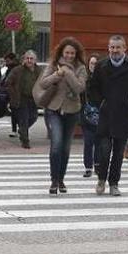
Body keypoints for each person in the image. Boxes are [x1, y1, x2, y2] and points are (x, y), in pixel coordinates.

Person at [89, 35, 128, 196]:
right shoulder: (101, 65)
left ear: (124, 49)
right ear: (108, 48)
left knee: (119, 153)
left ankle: (114, 183)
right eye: (112, 47)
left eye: (117, 47)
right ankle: (101, 179)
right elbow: (93, 88)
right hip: (106, 113)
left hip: (124, 113)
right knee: (104, 151)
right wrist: (99, 102)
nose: (114, 50)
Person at [37, 38, 87, 195]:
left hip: (72, 111)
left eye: (72, 53)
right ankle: (53, 180)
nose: (69, 55)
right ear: (62, 52)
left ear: (76, 53)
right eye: (67, 52)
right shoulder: (53, 65)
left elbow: (79, 88)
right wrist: (57, 74)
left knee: (65, 148)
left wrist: (68, 72)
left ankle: (61, 179)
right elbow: (43, 83)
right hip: (54, 110)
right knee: (56, 145)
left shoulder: (81, 68)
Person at [6, 51, 42, 149]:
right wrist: (13, 94)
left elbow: (44, 83)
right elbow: (8, 83)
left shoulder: (39, 71)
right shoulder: (18, 70)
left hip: (33, 98)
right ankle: (25, 141)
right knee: (24, 119)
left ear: (35, 60)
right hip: (21, 98)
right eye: (27, 58)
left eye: (31, 58)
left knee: (34, 117)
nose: (29, 60)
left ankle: (22, 130)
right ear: (24, 59)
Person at [81, 54, 100, 178]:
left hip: (101, 114)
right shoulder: (84, 79)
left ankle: (97, 164)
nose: (93, 66)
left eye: (95, 64)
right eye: (91, 63)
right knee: (88, 141)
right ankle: (88, 166)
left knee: (99, 141)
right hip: (86, 113)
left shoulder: (103, 79)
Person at [1, 52, 20, 136]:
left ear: (12, 60)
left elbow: (7, 80)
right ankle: (16, 129)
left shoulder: (15, 68)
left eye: (7, 60)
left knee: (16, 112)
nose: (6, 62)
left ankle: (16, 129)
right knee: (14, 112)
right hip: (12, 92)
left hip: (15, 92)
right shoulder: (11, 68)